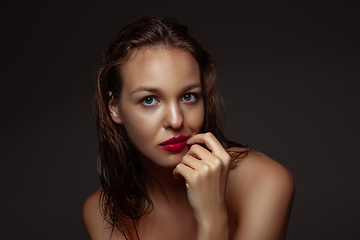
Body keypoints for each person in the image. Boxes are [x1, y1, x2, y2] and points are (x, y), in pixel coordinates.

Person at [82, 16, 295, 240]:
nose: (175, 121)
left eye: (188, 96)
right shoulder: (102, 212)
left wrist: (212, 217)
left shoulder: (264, 182)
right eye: (149, 100)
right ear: (114, 108)